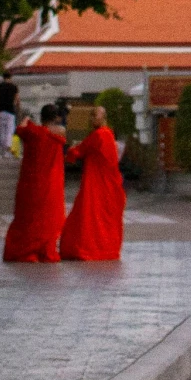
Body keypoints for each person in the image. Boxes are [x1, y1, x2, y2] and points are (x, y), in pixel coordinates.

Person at [60, 104, 125, 263]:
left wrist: (69, 152)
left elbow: (81, 150)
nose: (91, 119)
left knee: (90, 215)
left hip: (96, 182)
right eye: (91, 115)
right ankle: (106, 248)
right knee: (103, 217)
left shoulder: (100, 135)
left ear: (103, 118)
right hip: (107, 182)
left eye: (94, 115)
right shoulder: (108, 134)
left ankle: (87, 248)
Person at [3, 105, 68, 263]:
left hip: (31, 183)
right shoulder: (59, 133)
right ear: (56, 118)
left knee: (28, 219)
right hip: (51, 183)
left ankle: (27, 251)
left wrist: (26, 119)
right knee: (48, 219)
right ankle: (45, 249)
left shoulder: (33, 132)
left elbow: (20, 129)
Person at [0, 75, 19, 157]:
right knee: (9, 130)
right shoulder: (14, 87)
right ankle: (7, 150)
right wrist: (14, 105)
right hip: (10, 111)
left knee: (1, 131)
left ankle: (3, 149)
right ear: (10, 78)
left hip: (0, 111)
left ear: (3, 78)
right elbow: (16, 99)